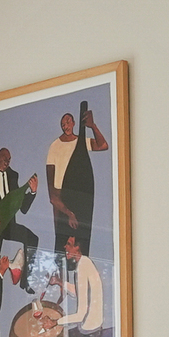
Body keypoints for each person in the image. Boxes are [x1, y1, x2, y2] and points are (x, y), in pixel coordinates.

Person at [46, 104, 109, 259]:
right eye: (63, 124)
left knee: (80, 245)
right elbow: (52, 195)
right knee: (62, 245)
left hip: (78, 195)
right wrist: (67, 212)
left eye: (68, 122)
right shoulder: (55, 146)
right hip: (62, 197)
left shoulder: (81, 142)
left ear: (74, 123)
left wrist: (92, 126)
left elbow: (103, 145)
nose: (65, 125)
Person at [57, 234, 109, 337]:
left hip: (90, 336)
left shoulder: (82, 267)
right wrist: (60, 283)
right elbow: (81, 293)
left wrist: (55, 322)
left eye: (69, 244)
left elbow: (80, 315)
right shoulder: (85, 263)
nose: (65, 247)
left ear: (77, 248)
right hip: (90, 330)